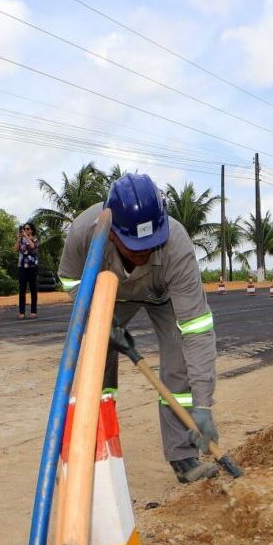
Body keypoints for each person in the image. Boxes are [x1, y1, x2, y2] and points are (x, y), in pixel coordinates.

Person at [59, 172, 219, 483]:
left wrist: (203, 404)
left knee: (179, 364)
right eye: (135, 245)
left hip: (164, 296)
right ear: (113, 233)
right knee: (96, 360)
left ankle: (183, 455)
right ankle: (95, 445)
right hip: (110, 295)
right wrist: (100, 318)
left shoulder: (177, 243)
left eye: (151, 243)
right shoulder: (83, 231)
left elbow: (197, 328)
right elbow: (70, 280)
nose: (144, 252)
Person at [16, 222, 39, 319]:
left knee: (33, 289)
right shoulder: (21, 240)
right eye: (25, 229)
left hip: (32, 266)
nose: (26, 230)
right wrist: (18, 239)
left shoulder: (35, 239)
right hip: (22, 266)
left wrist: (26, 237)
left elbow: (33, 246)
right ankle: (22, 312)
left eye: (28, 229)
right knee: (22, 289)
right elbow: (16, 249)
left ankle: (33, 311)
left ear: (32, 230)